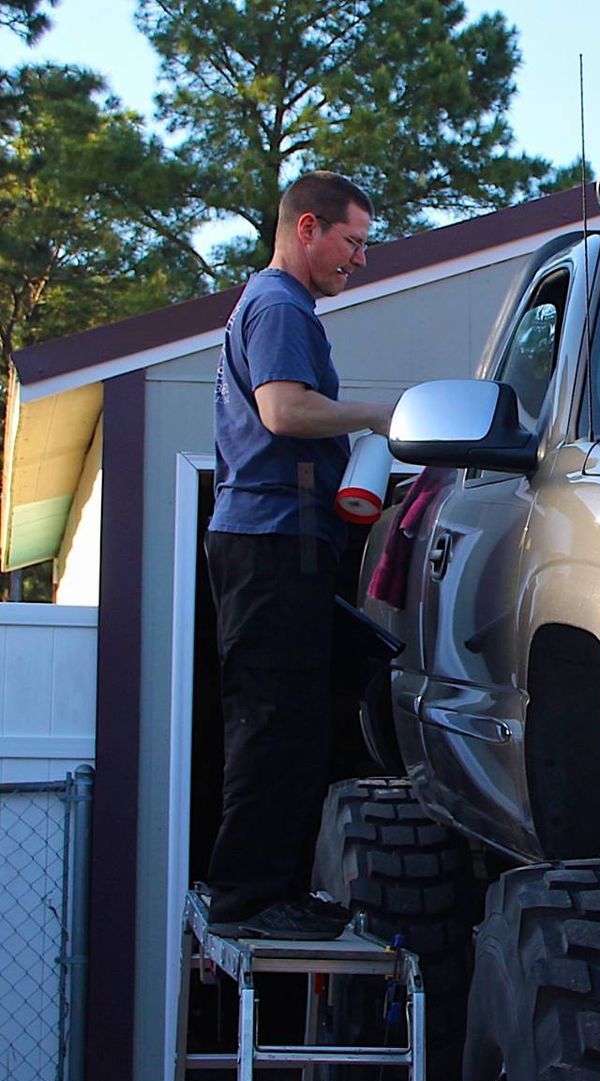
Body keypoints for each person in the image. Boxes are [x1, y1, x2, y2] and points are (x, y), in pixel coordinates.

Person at [203, 171, 394, 939]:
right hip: (270, 540)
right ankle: (248, 900)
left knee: (296, 718)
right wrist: (384, 411)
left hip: (284, 538)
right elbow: (284, 411)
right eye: (352, 242)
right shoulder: (280, 304)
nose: (360, 260)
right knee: (274, 718)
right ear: (307, 227)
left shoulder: (282, 306)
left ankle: (274, 889)